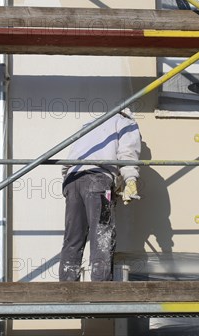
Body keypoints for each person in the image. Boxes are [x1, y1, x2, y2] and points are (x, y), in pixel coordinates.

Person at [59, 108, 141, 281]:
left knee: (73, 237)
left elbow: (69, 160)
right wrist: (131, 179)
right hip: (97, 181)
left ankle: (66, 288)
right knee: (102, 234)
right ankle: (100, 289)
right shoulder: (126, 122)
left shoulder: (89, 126)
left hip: (72, 180)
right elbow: (127, 154)